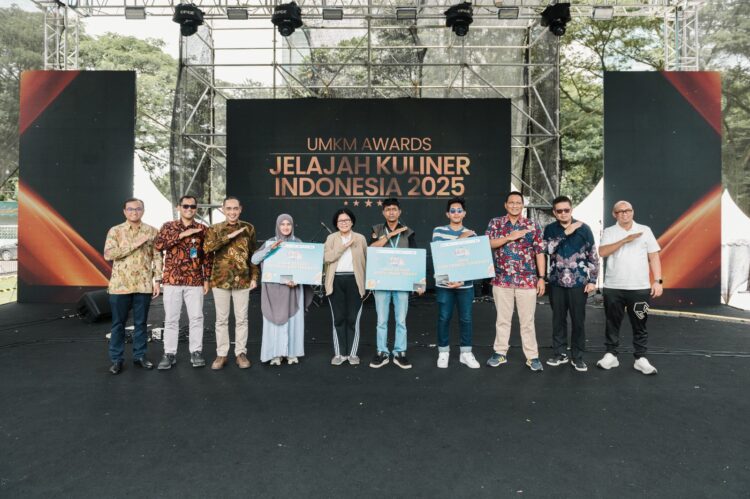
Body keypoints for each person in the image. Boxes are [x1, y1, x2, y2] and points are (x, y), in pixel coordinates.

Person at [596, 200, 663, 375]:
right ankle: (611, 355)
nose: (625, 213)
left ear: (633, 212)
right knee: (612, 322)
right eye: (621, 211)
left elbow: (654, 257)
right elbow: (602, 252)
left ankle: (640, 358)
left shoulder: (645, 230)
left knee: (640, 322)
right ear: (614, 214)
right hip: (613, 286)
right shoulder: (609, 232)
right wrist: (625, 240)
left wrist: (658, 281)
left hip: (639, 287)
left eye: (628, 210)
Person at [485, 191, 546, 372]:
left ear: (522, 205)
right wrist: (509, 237)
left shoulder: (531, 225)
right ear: (506, 205)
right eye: (511, 202)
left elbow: (539, 252)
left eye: (518, 202)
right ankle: (500, 352)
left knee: (527, 321)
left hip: (527, 281)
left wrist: (542, 278)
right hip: (501, 279)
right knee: (502, 319)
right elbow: (487, 244)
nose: (514, 205)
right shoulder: (495, 223)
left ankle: (532, 356)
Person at [103, 198, 162, 375]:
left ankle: (140, 356)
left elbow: (157, 256)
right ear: (124, 211)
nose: (134, 212)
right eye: (130, 209)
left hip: (143, 285)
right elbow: (109, 254)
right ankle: (116, 359)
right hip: (120, 285)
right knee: (118, 324)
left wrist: (157, 280)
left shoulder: (152, 231)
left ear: (143, 211)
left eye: (138, 209)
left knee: (141, 323)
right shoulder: (115, 231)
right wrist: (135, 244)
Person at [154, 195, 213, 370]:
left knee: (196, 318)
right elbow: (159, 245)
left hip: (195, 280)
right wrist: (182, 235)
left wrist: (207, 279)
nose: (189, 209)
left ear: (196, 209)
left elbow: (207, 257)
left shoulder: (202, 229)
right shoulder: (168, 226)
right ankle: (169, 354)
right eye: (185, 206)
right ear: (178, 207)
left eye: (192, 206)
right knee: (171, 319)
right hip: (172, 280)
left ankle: (196, 352)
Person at [543, 195, 599, 372]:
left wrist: (593, 280)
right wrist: (565, 233)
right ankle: (560, 354)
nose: (563, 213)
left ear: (571, 209)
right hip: (556, 282)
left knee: (578, 321)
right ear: (554, 212)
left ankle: (578, 357)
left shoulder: (584, 228)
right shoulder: (550, 229)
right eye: (559, 211)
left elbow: (593, 255)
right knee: (558, 320)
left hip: (579, 283)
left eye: (566, 210)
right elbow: (547, 249)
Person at [204, 196, 259, 370]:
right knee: (221, 320)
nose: (232, 212)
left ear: (240, 209)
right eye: (229, 208)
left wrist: (254, 277)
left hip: (242, 280)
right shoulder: (215, 229)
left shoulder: (249, 228)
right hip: (220, 280)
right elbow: (207, 248)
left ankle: (240, 353)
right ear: (223, 209)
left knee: (242, 319)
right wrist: (229, 236)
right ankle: (222, 354)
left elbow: (254, 255)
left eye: (235, 208)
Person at [368, 198, 423, 369]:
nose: (391, 212)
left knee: (401, 320)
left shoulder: (408, 232)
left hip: (402, 281)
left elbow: (416, 258)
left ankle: (400, 352)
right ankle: (382, 352)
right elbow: (371, 249)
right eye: (388, 209)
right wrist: (389, 236)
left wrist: (419, 284)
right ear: (383, 212)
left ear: (399, 212)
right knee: (381, 320)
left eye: (394, 209)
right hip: (382, 281)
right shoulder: (377, 229)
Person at [251, 214, 311, 366]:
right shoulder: (271, 242)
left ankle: (292, 353)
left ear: (292, 226)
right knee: (274, 323)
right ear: (278, 226)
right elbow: (254, 260)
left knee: (294, 321)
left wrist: (296, 279)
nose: (285, 227)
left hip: (293, 289)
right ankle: (275, 354)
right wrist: (269, 249)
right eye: (282, 224)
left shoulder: (298, 243)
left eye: (288, 224)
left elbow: (305, 266)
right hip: (274, 291)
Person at [431, 196, 480, 369]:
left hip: (465, 285)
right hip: (444, 284)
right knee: (444, 317)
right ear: (448, 214)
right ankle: (443, 352)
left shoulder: (472, 234)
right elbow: (440, 256)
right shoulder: (438, 231)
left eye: (459, 210)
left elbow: (473, 261)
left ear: (464, 213)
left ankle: (466, 353)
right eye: (453, 210)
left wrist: (462, 280)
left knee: (466, 319)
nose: (456, 213)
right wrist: (461, 238)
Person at [323, 208, 367, 366]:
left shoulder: (360, 238)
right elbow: (327, 258)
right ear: (336, 223)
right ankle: (340, 353)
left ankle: (353, 354)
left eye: (347, 220)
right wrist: (344, 246)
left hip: (355, 281)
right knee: (339, 318)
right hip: (335, 280)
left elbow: (367, 260)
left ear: (352, 222)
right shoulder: (331, 238)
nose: (344, 223)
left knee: (353, 318)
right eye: (340, 221)